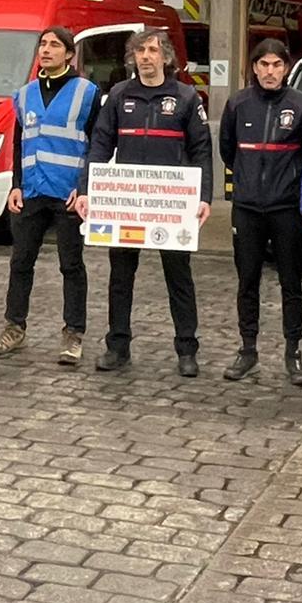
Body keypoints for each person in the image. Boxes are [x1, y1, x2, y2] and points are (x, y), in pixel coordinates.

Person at [73, 29, 212, 376]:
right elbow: (100, 145)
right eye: (139, 50)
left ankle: (186, 350)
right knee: (120, 277)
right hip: (126, 203)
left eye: (152, 50)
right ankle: (117, 346)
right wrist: (87, 188)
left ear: (166, 57)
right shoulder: (119, 95)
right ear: (132, 57)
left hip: (172, 207)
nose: (146, 56)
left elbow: (201, 151)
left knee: (179, 277)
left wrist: (204, 196)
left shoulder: (185, 96)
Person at [0, 27, 101, 366]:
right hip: (32, 190)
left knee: (71, 265)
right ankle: (14, 327)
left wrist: (84, 188)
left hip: (68, 194)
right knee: (20, 261)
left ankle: (73, 333)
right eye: (43, 44)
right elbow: (21, 142)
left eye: (55, 45)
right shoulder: (24, 95)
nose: (46, 50)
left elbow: (97, 143)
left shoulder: (88, 92)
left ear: (70, 54)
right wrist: (16, 185)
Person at [218, 38, 302, 385]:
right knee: (247, 281)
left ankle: (294, 351)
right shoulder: (237, 104)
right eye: (263, 65)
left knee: (292, 281)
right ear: (253, 68)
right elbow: (228, 151)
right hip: (247, 208)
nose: (269, 71)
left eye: (276, 65)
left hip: (286, 209)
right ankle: (247, 349)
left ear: (286, 68)